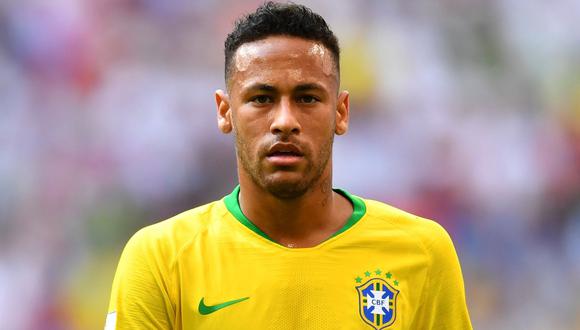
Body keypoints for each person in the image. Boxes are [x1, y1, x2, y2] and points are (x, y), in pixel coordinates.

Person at [105, 2, 472, 329]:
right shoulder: (160, 259)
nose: (284, 120)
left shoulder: (422, 252)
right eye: (261, 98)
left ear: (341, 112)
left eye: (307, 97)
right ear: (225, 111)